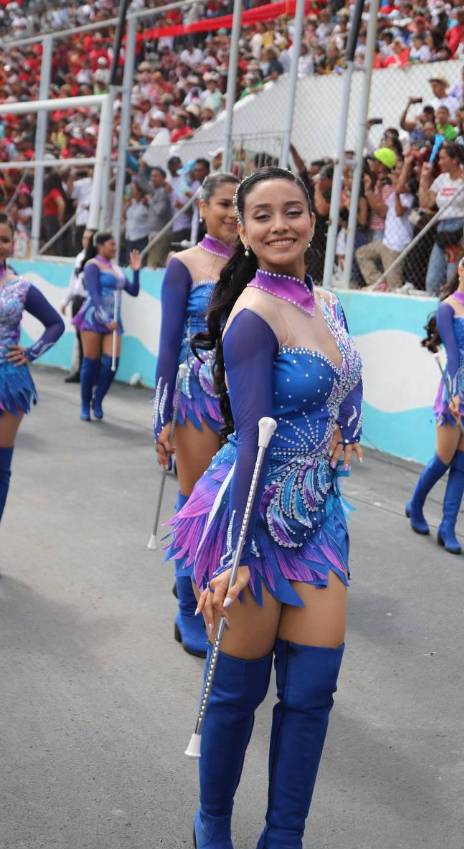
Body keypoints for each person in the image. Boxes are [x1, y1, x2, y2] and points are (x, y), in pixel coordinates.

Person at [167, 167, 363, 849]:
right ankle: (211, 822)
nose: (280, 224)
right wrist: (237, 557)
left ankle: (283, 845)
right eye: (262, 216)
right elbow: (249, 439)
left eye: (293, 211)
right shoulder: (252, 316)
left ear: (314, 219)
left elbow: (342, 391)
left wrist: (344, 433)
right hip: (248, 515)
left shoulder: (331, 302)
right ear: (242, 231)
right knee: (238, 690)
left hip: (317, 518)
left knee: (312, 692)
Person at [154, 172, 239, 657]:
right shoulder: (183, 263)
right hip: (199, 395)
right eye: (223, 203)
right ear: (202, 207)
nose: (231, 212)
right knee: (196, 503)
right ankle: (187, 608)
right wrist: (163, 417)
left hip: (245, 395)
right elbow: (167, 344)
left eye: (237, 204)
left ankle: (207, 588)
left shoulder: (255, 262)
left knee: (228, 504)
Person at [405, 251, 464, 554]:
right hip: (456, 393)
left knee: (463, 462)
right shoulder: (447, 308)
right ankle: (415, 505)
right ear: (462, 271)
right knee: (443, 460)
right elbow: (453, 355)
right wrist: (455, 392)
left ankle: (448, 527)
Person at [0, 213, 64, 522]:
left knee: (0, 464)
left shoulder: (21, 288)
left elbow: (55, 324)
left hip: (8, 382)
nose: (0, 245)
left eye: (5, 239)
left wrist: (31, 352)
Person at [73, 231, 141, 422]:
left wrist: (136, 270)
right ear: (100, 245)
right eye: (111, 244)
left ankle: (98, 400)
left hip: (114, 320)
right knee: (90, 362)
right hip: (93, 319)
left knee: (112, 364)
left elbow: (133, 291)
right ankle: (85, 404)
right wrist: (104, 319)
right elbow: (94, 295)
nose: (115, 247)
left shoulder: (117, 269)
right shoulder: (91, 265)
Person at [355, 152, 414, 289]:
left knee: (395, 285)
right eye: (395, 169)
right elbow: (385, 209)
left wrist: (395, 191)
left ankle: (391, 292)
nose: (395, 172)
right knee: (361, 253)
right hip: (387, 241)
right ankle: (379, 284)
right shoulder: (391, 188)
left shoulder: (407, 192)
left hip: (397, 245)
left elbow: (398, 212)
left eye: (399, 169)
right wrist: (377, 190)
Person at [419, 143, 464, 296]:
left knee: (452, 278)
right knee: (432, 280)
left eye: (443, 158)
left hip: (460, 228)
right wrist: (424, 178)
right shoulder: (441, 179)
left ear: (454, 160)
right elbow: (426, 203)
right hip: (442, 229)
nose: (439, 162)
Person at [60, 228, 95, 383]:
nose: (86, 241)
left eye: (89, 238)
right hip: (78, 300)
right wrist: (65, 301)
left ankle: (90, 373)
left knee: (91, 339)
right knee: (80, 338)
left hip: (89, 301)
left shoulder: (96, 259)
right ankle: (81, 371)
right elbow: (73, 282)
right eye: (84, 238)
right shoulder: (80, 257)